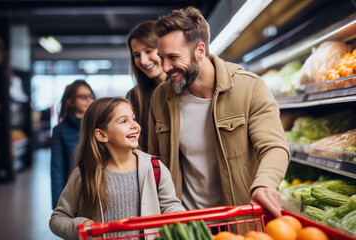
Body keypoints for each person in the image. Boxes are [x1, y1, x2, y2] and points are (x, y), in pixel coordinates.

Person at [148, 7, 290, 218]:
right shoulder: (162, 97)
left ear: (200, 50)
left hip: (238, 218)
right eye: (162, 58)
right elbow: (155, 161)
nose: (166, 67)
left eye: (173, 57)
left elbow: (274, 147)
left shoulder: (249, 88)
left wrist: (265, 184)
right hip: (188, 223)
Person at [49, 97, 185, 240]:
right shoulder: (85, 173)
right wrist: (83, 225)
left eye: (133, 118)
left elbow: (170, 206)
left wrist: (180, 219)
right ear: (102, 135)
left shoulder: (155, 168)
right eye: (123, 121)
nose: (134, 125)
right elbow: (57, 219)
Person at [51, 79, 95, 209]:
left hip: (96, 192)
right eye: (83, 97)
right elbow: (57, 169)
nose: (89, 100)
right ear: (69, 101)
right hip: (73, 195)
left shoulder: (98, 126)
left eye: (91, 96)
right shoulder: (60, 131)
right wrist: (58, 207)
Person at [126, 20, 167, 152]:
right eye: (137, 55)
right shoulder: (135, 96)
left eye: (149, 51)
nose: (143, 61)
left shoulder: (186, 89)